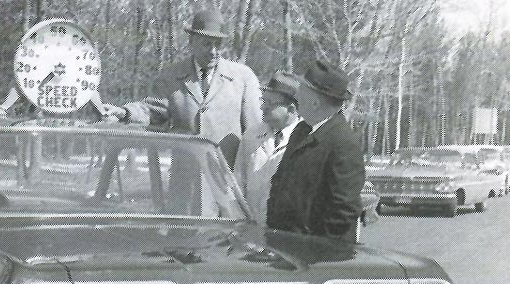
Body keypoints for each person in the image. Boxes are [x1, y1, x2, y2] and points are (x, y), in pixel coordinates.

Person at [101, 9, 262, 168]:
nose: (213, 51)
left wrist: (252, 180)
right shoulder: (171, 76)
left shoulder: (243, 78)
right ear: (191, 41)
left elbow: (255, 134)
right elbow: (152, 110)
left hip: (226, 181)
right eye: (207, 44)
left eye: (218, 45)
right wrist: (124, 112)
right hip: (185, 179)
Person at [266, 60, 364, 244]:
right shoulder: (301, 131)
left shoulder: (343, 143)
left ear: (315, 102)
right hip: (286, 248)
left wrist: (313, 247)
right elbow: (280, 185)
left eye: (302, 89)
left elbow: (344, 211)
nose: (297, 94)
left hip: (320, 259)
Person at [234, 71, 310, 226]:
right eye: (263, 101)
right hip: (251, 228)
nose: (263, 108)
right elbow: (238, 184)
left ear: (291, 110)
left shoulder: (307, 140)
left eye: (270, 103)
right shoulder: (252, 135)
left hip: (287, 232)